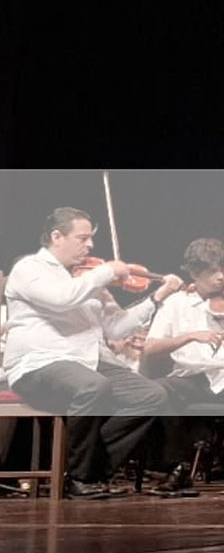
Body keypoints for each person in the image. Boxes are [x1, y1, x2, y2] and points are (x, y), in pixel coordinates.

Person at [2, 208, 185, 498]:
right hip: (38, 363)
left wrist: (157, 297)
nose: (90, 246)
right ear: (56, 236)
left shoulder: (88, 281)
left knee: (152, 396)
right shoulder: (30, 269)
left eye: (91, 239)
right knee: (92, 386)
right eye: (83, 238)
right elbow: (62, 299)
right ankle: (79, 477)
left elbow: (117, 328)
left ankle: (89, 469)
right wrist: (105, 272)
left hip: (86, 362)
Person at [143, 237, 224, 487]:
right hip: (190, 377)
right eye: (213, 270)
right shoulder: (176, 303)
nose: (221, 277)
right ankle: (179, 466)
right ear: (195, 272)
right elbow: (150, 348)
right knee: (158, 391)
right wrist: (190, 336)